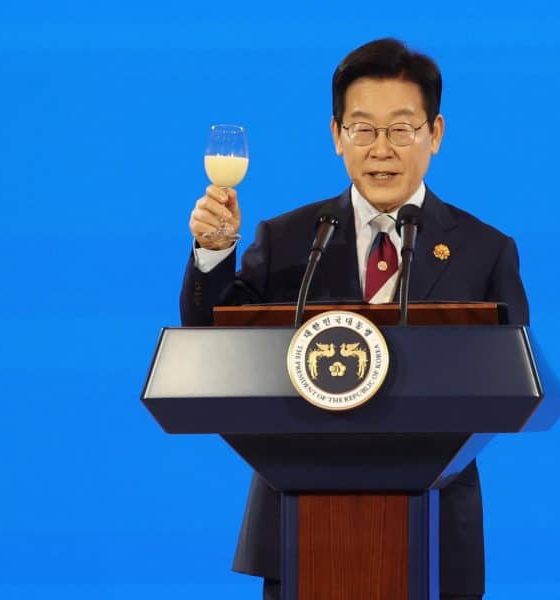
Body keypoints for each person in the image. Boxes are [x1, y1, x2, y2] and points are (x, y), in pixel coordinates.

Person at [180, 38, 528, 600]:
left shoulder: (484, 250)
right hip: (299, 527)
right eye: (363, 129)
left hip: (435, 527)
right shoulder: (292, 238)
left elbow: (510, 371)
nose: (381, 149)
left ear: (435, 134)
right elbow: (213, 337)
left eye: (401, 129)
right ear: (337, 136)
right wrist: (214, 254)